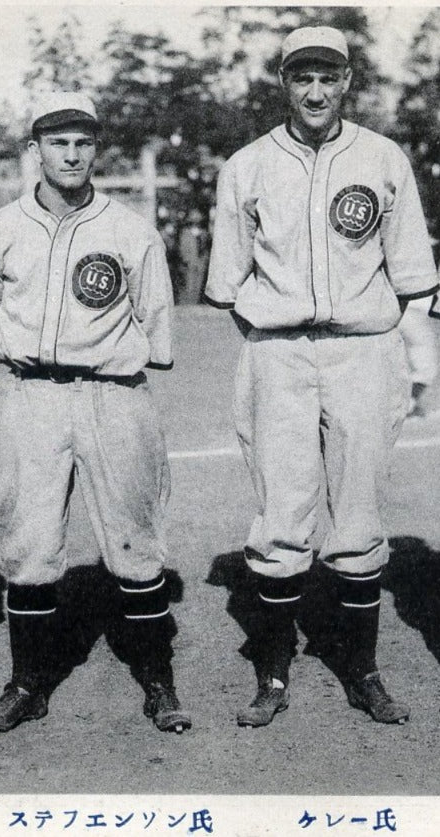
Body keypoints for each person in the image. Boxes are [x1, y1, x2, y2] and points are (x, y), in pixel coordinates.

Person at [204, 27, 439, 727]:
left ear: (346, 82)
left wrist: (405, 359)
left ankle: (360, 669)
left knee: (359, 516)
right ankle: (272, 674)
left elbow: (411, 278)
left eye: (327, 77)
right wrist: (274, 331)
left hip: (363, 353)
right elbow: (225, 281)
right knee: (280, 517)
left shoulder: (381, 157)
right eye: (300, 77)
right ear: (282, 82)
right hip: (276, 353)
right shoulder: (245, 166)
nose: (314, 91)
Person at [0, 92, 190, 735]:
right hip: (29, 395)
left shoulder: (130, 229)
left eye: (83, 142)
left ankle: (158, 680)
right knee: (29, 546)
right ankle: (28, 682)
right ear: (34, 150)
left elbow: (156, 324)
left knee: (137, 546)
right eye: (57, 142)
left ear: (96, 149)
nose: (71, 153)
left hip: (114, 394)